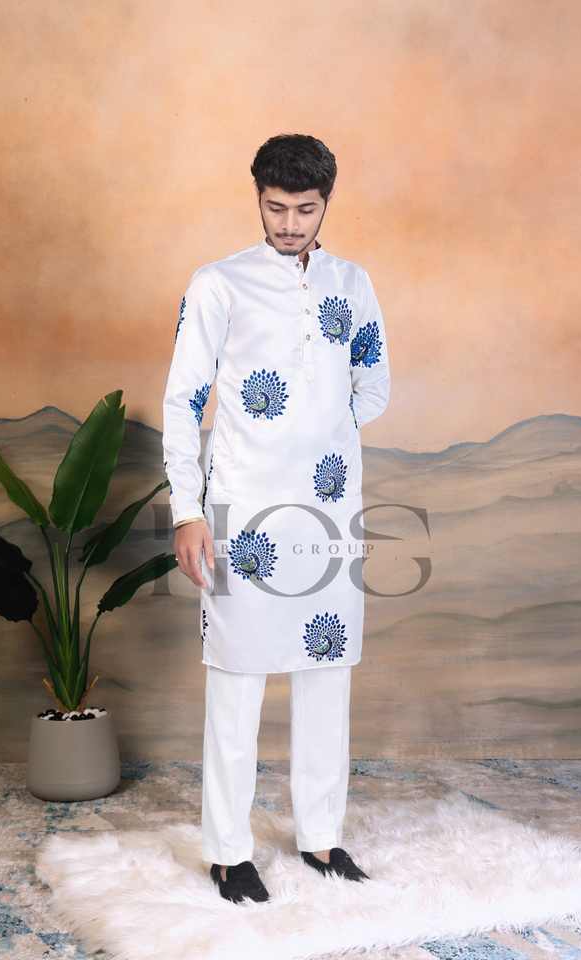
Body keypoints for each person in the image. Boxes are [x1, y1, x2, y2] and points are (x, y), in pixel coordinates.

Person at [161, 134, 391, 903]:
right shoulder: (218, 285)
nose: (290, 223)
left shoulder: (352, 283)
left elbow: (374, 380)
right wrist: (188, 510)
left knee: (327, 674)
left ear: (327, 203)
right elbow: (183, 401)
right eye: (276, 207)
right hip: (243, 513)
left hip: (329, 510)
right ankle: (228, 851)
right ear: (257, 197)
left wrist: (324, 432)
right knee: (237, 677)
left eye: (305, 209)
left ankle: (322, 837)